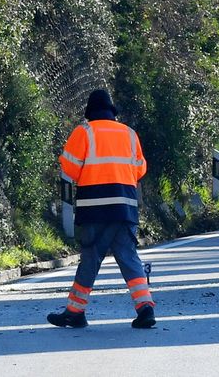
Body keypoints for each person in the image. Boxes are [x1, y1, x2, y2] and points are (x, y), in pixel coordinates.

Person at [47, 89, 156, 330]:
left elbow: (70, 169)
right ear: (112, 111)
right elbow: (140, 169)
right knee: (128, 257)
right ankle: (145, 306)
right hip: (124, 207)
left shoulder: (83, 132)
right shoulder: (129, 134)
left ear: (89, 112)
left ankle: (75, 311)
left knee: (90, 257)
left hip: (94, 208)